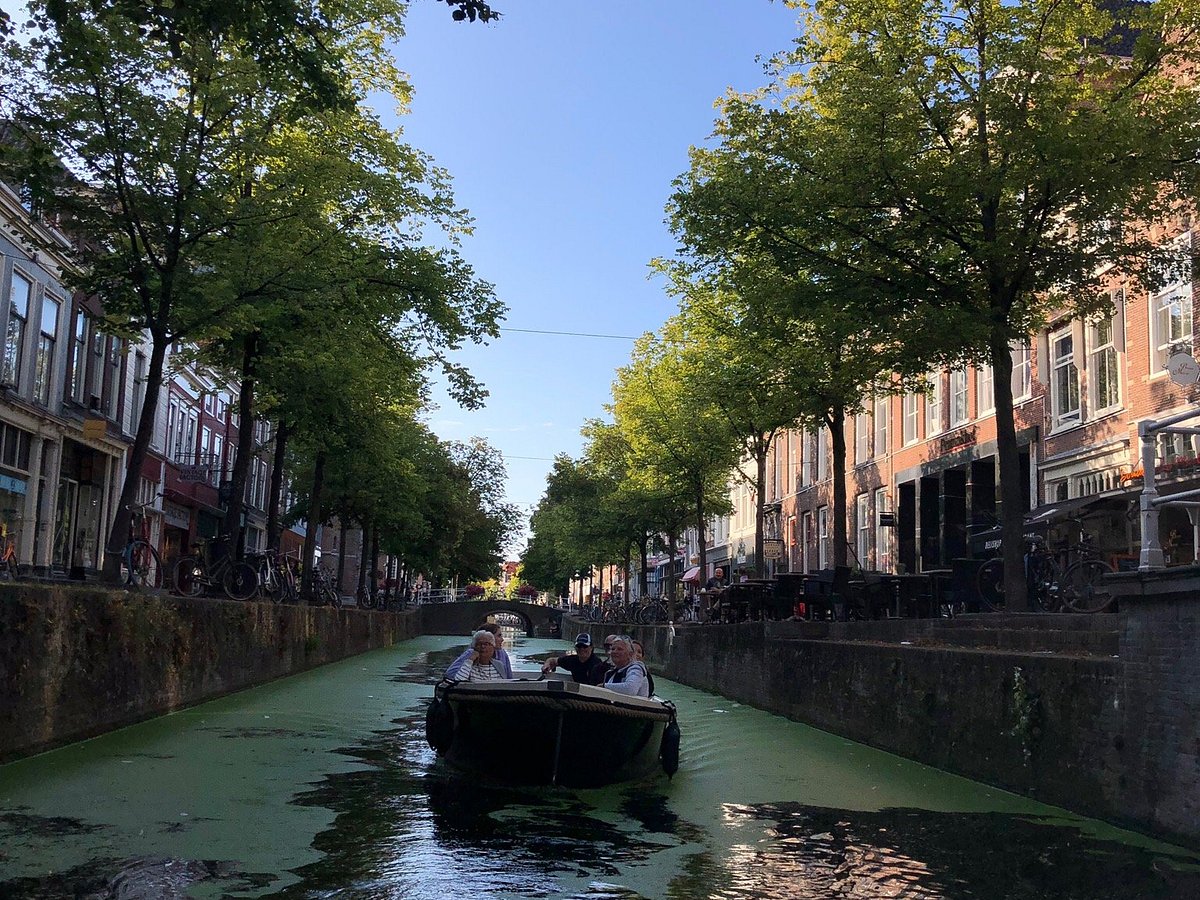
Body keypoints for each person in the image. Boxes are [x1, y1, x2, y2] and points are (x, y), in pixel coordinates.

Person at [446, 623, 513, 679]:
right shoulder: (471, 653)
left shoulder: (502, 654)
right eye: (499, 636)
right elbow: (450, 674)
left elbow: (508, 678)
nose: (502, 639)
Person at [541, 633, 610, 685]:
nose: (582, 649)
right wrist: (547, 666)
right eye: (579, 646)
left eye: (585, 646)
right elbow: (552, 660)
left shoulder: (597, 664)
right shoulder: (572, 660)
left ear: (591, 647)